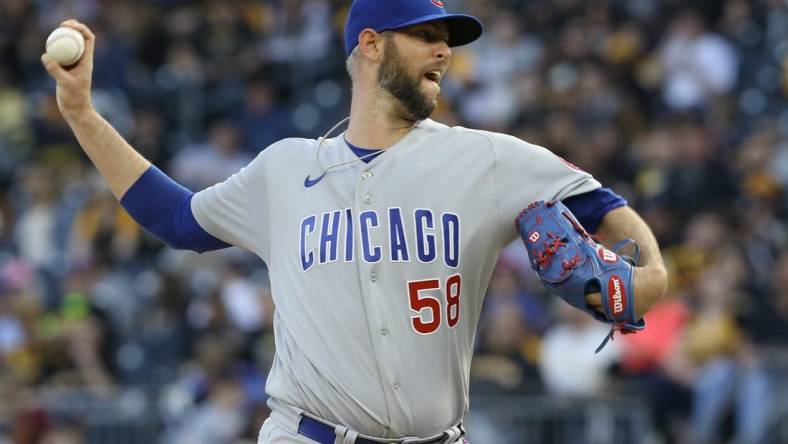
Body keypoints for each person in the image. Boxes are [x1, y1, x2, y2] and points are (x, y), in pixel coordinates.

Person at [40, 1, 668, 443]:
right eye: (424, 33)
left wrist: (648, 280)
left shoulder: (489, 159)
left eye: (445, 38)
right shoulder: (285, 169)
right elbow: (176, 217)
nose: (444, 50)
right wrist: (82, 115)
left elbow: (605, 210)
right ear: (370, 44)